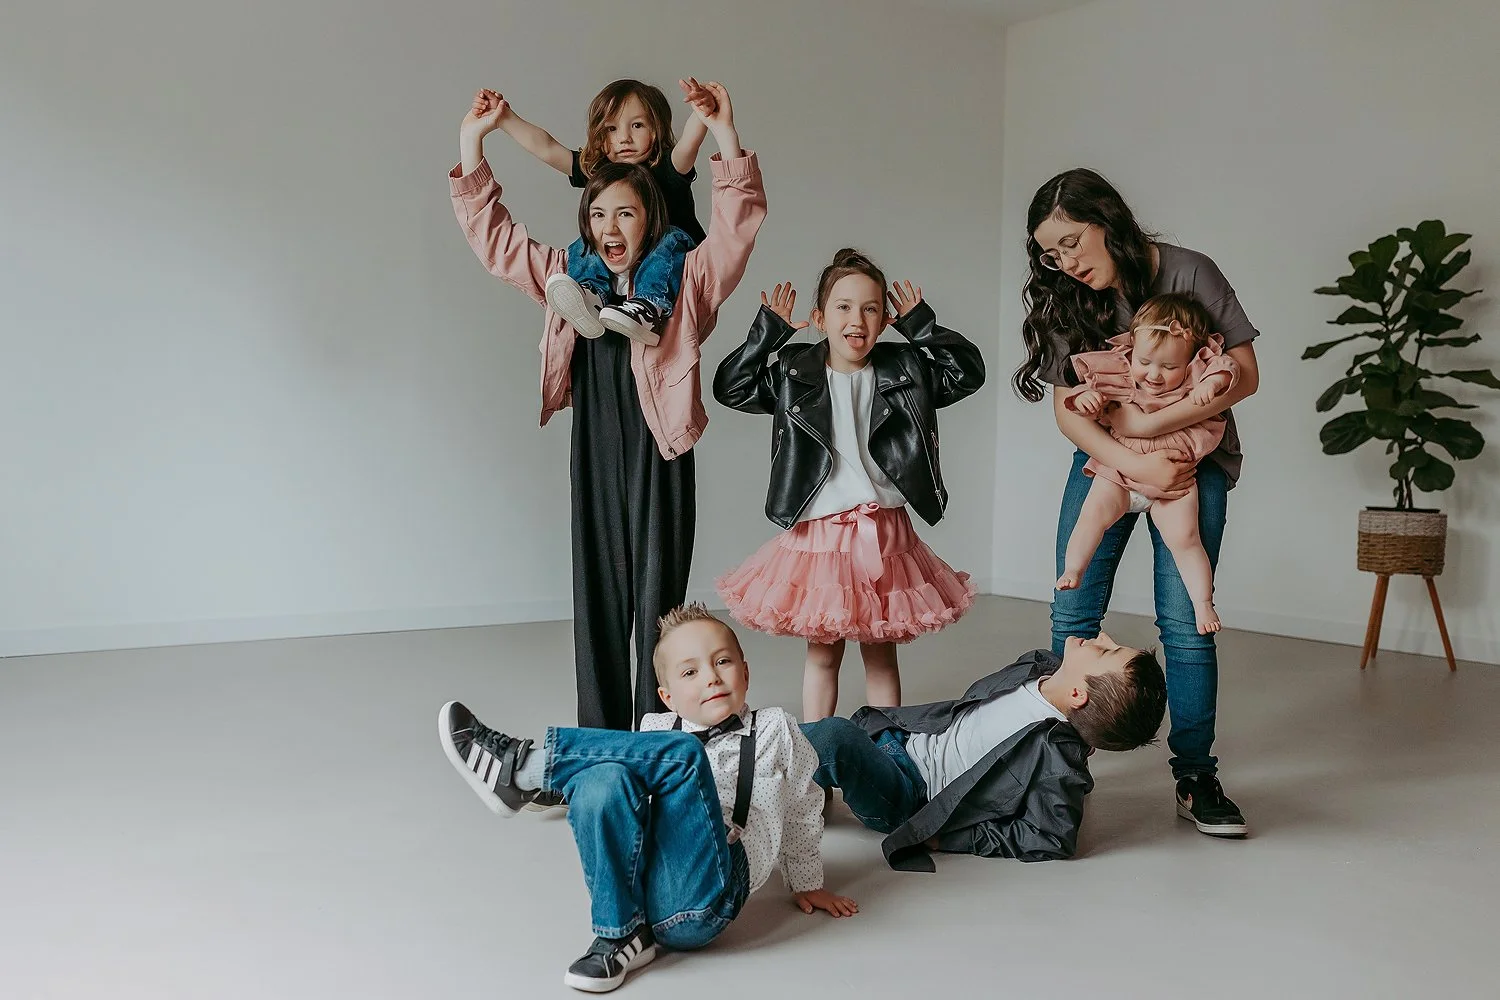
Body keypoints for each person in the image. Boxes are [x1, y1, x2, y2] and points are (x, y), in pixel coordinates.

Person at [450, 82, 764, 731]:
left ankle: (659, 732)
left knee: (657, 601)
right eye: (598, 215)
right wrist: (472, 142)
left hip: (660, 451)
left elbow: (735, 232)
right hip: (594, 450)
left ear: (649, 215)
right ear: (585, 222)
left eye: (625, 213)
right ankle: (600, 738)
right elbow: (498, 242)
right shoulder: (571, 275)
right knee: (596, 598)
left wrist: (725, 135)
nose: (610, 226)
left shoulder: (686, 277)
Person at [1014, 167, 1260, 836]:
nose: (1063, 261)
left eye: (1071, 242)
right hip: (1108, 460)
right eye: (1051, 252)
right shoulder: (1069, 298)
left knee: (1186, 622)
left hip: (1190, 462)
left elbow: (1246, 375)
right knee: (1074, 606)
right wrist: (1130, 460)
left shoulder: (1190, 274)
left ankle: (1194, 775)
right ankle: (1061, 759)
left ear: (1107, 220)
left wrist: (1153, 435)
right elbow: (1071, 413)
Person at [436, 604, 857, 994]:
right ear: (668, 696)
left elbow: (804, 803)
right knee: (605, 778)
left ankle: (523, 768)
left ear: (745, 673)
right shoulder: (656, 725)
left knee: (683, 753)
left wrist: (807, 882)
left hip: (711, 893)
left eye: (722, 662)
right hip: (649, 888)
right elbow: (627, 812)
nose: (711, 676)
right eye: (689, 672)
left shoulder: (775, 728)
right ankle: (620, 934)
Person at [801, 632, 1167, 871]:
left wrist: (946, 838)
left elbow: (1052, 838)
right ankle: (777, 765)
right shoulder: (1040, 667)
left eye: (1105, 650)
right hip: (903, 739)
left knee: (835, 737)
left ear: (1078, 695)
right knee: (849, 730)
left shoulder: (1058, 760)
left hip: (909, 792)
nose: (1101, 636)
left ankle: (750, 758)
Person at [478, 78, 716, 344]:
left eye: (637, 125)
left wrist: (702, 111)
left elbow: (689, 144)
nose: (624, 138)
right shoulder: (602, 172)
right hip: (624, 258)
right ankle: (590, 293)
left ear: (656, 130)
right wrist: (505, 118)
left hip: (677, 261)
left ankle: (649, 307)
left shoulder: (668, 167)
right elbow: (547, 148)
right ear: (601, 139)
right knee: (590, 239)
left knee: (667, 237)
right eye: (612, 129)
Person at [1057, 292, 1240, 635]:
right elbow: (1081, 393)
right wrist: (1088, 399)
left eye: (1169, 367)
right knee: (1092, 514)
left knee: (1186, 540)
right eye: (1146, 362)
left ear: (1189, 359)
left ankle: (1203, 604)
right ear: (1131, 350)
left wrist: (1212, 384)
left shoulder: (1198, 371)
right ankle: (1074, 568)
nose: (1154, 374)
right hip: (1120, 471)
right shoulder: (1122, 370)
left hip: (1176, 477)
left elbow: (1229, 367)